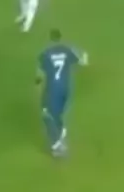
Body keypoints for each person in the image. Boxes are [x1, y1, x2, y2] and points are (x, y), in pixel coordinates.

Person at [36, 28, 88, 156]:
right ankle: (61, 132)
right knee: (57, 113)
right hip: (66, 89)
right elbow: (82, 62)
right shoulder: (67, 50)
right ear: (60, 38)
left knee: (47, 114)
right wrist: (84, 58)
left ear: (50, 38)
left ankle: (57, 145)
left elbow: (40, 74)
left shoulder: (46, 53)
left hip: (52, 89)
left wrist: (37, 84)